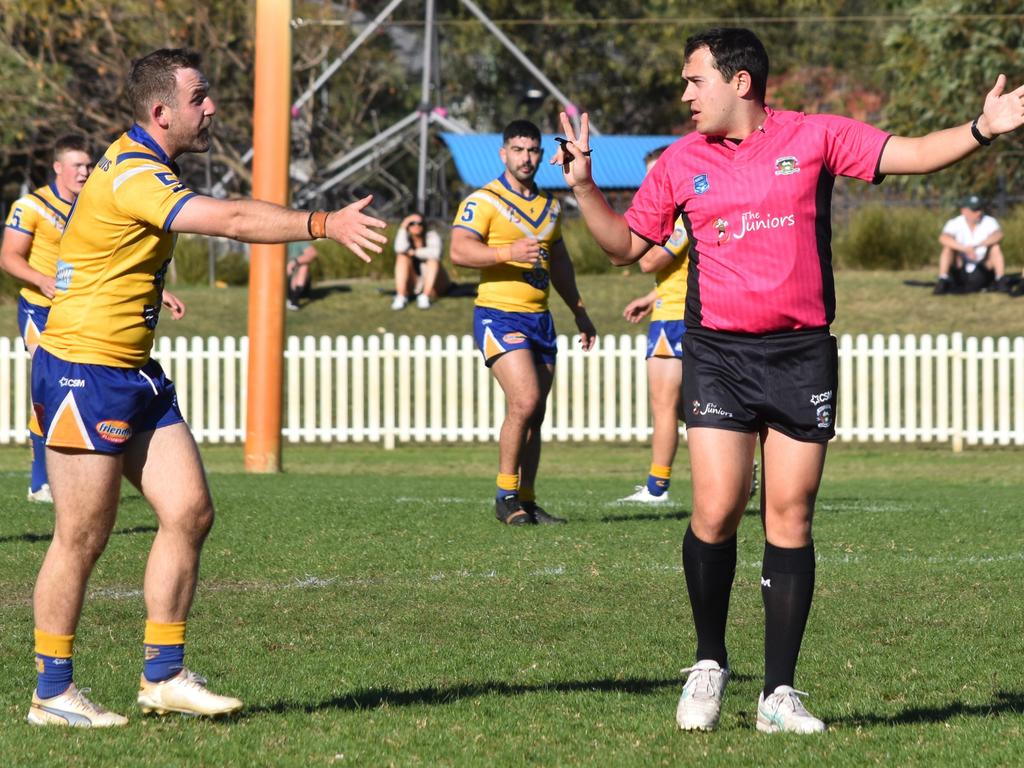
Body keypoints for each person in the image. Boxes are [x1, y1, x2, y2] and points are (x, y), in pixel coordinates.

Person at [554, 27, 1024, 734]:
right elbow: (625, 247)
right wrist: (586, 187)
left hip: (801, 354)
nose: (684, 94)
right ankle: (709, 664)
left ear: (740, 81)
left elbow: (913, 155)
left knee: (790, 517)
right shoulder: (681, 162)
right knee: (714, 510)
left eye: (694, 80)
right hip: (717, 353)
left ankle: (779, 694)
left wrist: (981, 128)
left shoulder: (817, 135)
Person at [26, 48, 386, 728]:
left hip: (132, 370)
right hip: (83, 369)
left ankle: (162, 676)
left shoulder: (146, 163)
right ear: (161, 113)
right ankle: (52, 692)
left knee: (189, 511)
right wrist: (324, 223)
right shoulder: (135, 171)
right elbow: (230, 221)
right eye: (200, 98)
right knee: (81, 535)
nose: (212, 107)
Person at [0, 135, 188, 504]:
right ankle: (42, 481)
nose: (85, 172)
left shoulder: (95, 199)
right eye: (77, 166)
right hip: (43, 309)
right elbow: (9, 257)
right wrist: (42, 281)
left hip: (89, 307)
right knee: (49, 387)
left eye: (88, 165)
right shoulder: (31, 205)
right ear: (58, 168)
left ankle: (60, 477)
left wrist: (157, 290)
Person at [450, 119, 596, 526]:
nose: (527, 158)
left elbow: (561, 264)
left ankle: (527, 501)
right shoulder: (484, 200)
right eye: (518, 149)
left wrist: (580, 312)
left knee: (536, 413)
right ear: (503, 153)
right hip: (497, 314)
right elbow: (459, 251)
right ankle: (504, 495)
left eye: (532, 150)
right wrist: (505, 253)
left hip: (540, 318)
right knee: (525, 400)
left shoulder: (550, 207)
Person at [617, 216, 689, 504]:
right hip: (669, 310)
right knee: (690, 408)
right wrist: (652, 296)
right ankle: (739, 469)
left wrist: (646, 227)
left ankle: (657, 487)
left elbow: (649, 261)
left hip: (677, 316)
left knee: (665, 406)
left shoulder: (682, 220)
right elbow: (684, 270)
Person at [933, 194, 1007, 294]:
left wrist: (977, 246)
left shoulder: (989, 221)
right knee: (947, 248)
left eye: (980, 209)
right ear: (964, 211)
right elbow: (943, 238)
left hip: (983, 266)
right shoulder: (955, 223)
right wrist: (965, 249)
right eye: (974, 210)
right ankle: (943, 280)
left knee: (995, 247)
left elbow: (998, 235)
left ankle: (1000, 280)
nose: (978, 213)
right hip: (961, 266)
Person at [391, 213, 450, 310]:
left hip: (435, 285)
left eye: (420, 223)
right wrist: (403, 226)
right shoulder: (406, 238)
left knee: (433, 261)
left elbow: (435, 253)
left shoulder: (431, 236)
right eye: (412, 223)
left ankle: (425, 297)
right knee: (402, 257)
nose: (416, 226)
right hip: (415, 284)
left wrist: (414, 252)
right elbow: (399, 248)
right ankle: (400, 296)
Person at [286, 241, 318, 310]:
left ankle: (294, 300)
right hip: (283, 281)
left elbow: (313, 253)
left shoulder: (297, 241)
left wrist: (294, 262)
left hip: (299, 283)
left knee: (304, 266)